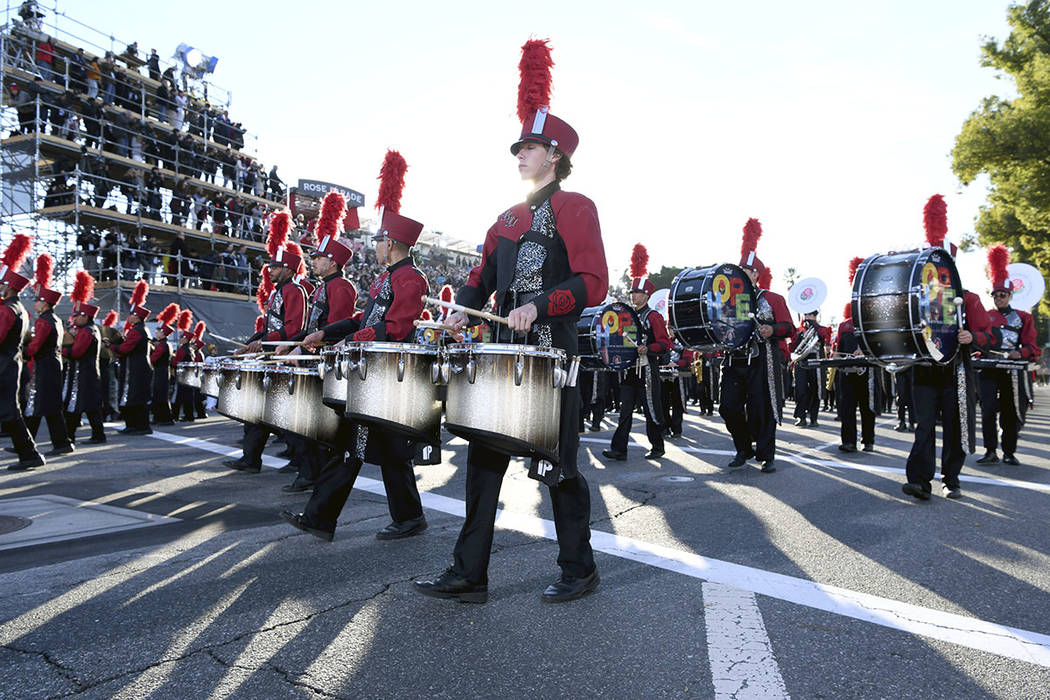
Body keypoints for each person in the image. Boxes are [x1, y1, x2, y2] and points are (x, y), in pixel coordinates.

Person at [415, 39, 608, 604]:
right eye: (518, 148)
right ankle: (469, 573)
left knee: (560, 466)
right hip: (501, 354)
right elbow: (481, 281)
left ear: (554, 155)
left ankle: (580, 567)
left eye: (528, 147)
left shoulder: (576, 207)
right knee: (482, 462)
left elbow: (592, 282)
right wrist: (461, 312)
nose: (518, 155)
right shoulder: (504, 215)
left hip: (554, 354)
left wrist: (539, 305)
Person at [284, 171, 428, 539]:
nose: (375, 245)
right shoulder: (384, 277)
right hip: (372, 370)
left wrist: (350, 341)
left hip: (387, 372)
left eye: (379, 239)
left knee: (355, 445)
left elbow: (395, 328)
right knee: (382, 450)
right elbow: (364, 318)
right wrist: (326, 333)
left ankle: (321, 518)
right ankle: (407, 516)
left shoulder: (412, 278)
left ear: (391, 242)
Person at [902, 196, 995, 501]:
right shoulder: (915, 299)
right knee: (924, 427)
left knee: (954, 427)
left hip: (955, 371)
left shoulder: (968, 299)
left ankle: (951, 479)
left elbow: (988, 334)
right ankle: (919, 481)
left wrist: (973, 337)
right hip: (925, 371)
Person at [276, 192, 358, 493]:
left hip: (322, 362)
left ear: (333, 262)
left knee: (309, 421)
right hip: (309, 355)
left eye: (319, 257)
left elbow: (333, 328)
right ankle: (308, 468)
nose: (313, 261)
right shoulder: (325, 286)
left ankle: (313, 473)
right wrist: (292, 343)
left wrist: (302, 347)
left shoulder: (342, 287)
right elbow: (313, 326)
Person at [223, 213, 307, 473]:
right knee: (257, 409)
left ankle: (302, 463)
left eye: (275, 266)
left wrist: (266, 342)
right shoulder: (277, 293)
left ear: (289, 269)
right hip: (271, 354)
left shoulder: (294, 291)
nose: (270, 270)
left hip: (283, 356)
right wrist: (254, 341)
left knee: (284, 411)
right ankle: (251, 459)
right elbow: (272, 327)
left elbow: (295, 327)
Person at [719, 219, 794, 473]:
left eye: (748, 270)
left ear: (756, 275)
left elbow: (789, 328)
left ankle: (766, 455)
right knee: (727, 406)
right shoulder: (726, 301)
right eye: (740, 269)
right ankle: (743, 447)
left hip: (762, 358)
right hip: (733, 360)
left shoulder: (772, 298)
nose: (743, 273)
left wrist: (772, 329)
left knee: (761, 408)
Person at [603, 244, 670, 461]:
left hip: (647, 369)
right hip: (628, 370)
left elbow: (665, 343)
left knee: (651, 408)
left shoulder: (653, 317)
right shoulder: (626, 315)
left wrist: (648, 348)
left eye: (638, 292)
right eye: (632, 291)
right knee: (624, 412)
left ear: (647, 294)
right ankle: (619, 449)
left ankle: (657, 446)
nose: (634, 295)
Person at [978, 245, 1039, 466]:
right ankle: (990, 450)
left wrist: (1019, 353)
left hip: (1012, 370)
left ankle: (1009, 452)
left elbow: (1033, 347)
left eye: (1002, 295)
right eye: (995, 295)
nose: (998, 299)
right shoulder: (985, 316)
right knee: (987, 411)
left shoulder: (1022, 317)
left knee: (1010, 411)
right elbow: (979, 340)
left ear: (1010, 295)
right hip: (988, 368)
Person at [0, 234, 45, 470]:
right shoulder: (15, 307)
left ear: (8, 287)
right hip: (10, 363)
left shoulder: (8, 309)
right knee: (10, 412)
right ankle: (29, 454)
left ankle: (29, 454)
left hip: (4, 365)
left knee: (10, 413)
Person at [23, 254, 74, 454]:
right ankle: (31, 443)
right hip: (53, 364)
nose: (34, 303)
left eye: (36, 300)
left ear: (44, 303)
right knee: (46, 405)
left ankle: (32, 443)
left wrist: (23, 350)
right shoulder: (55, 319)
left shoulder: (43, 321)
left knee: (41, 404)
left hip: (44, 365)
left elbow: (35, 346)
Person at [109, 280, 153, 435]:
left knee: (134, 397)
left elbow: (125, 349)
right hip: (141, 366)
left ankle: (136, 426)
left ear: (137, 317)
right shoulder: (143, 330)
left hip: (136, 367)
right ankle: (139, 425)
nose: (129, 316)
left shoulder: (136, 331)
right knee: (139, 396)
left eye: (132, 314)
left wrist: (111, 346)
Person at [791, 310, 830, 427]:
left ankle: (814, 417)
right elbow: (793, 346)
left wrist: (814, 325)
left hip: (816, 361)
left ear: (815, 316)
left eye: (811, 315)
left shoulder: (821, 328)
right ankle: (801, 417)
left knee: (815, 390)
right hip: (802, 362)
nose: (808, 317)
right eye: (806, 315)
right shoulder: (799, 331)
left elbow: (823, 335)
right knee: (801, 390)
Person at [149, 303, 179, 425]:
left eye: (159, 331)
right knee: (159, 395)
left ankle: (166, 418)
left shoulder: (162, 345)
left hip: (160, 371)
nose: (156, 333)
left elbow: (153, 358)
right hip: (163, 371)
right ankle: (159, 417)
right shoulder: (165, 344)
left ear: (163, 334)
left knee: (161, 395)